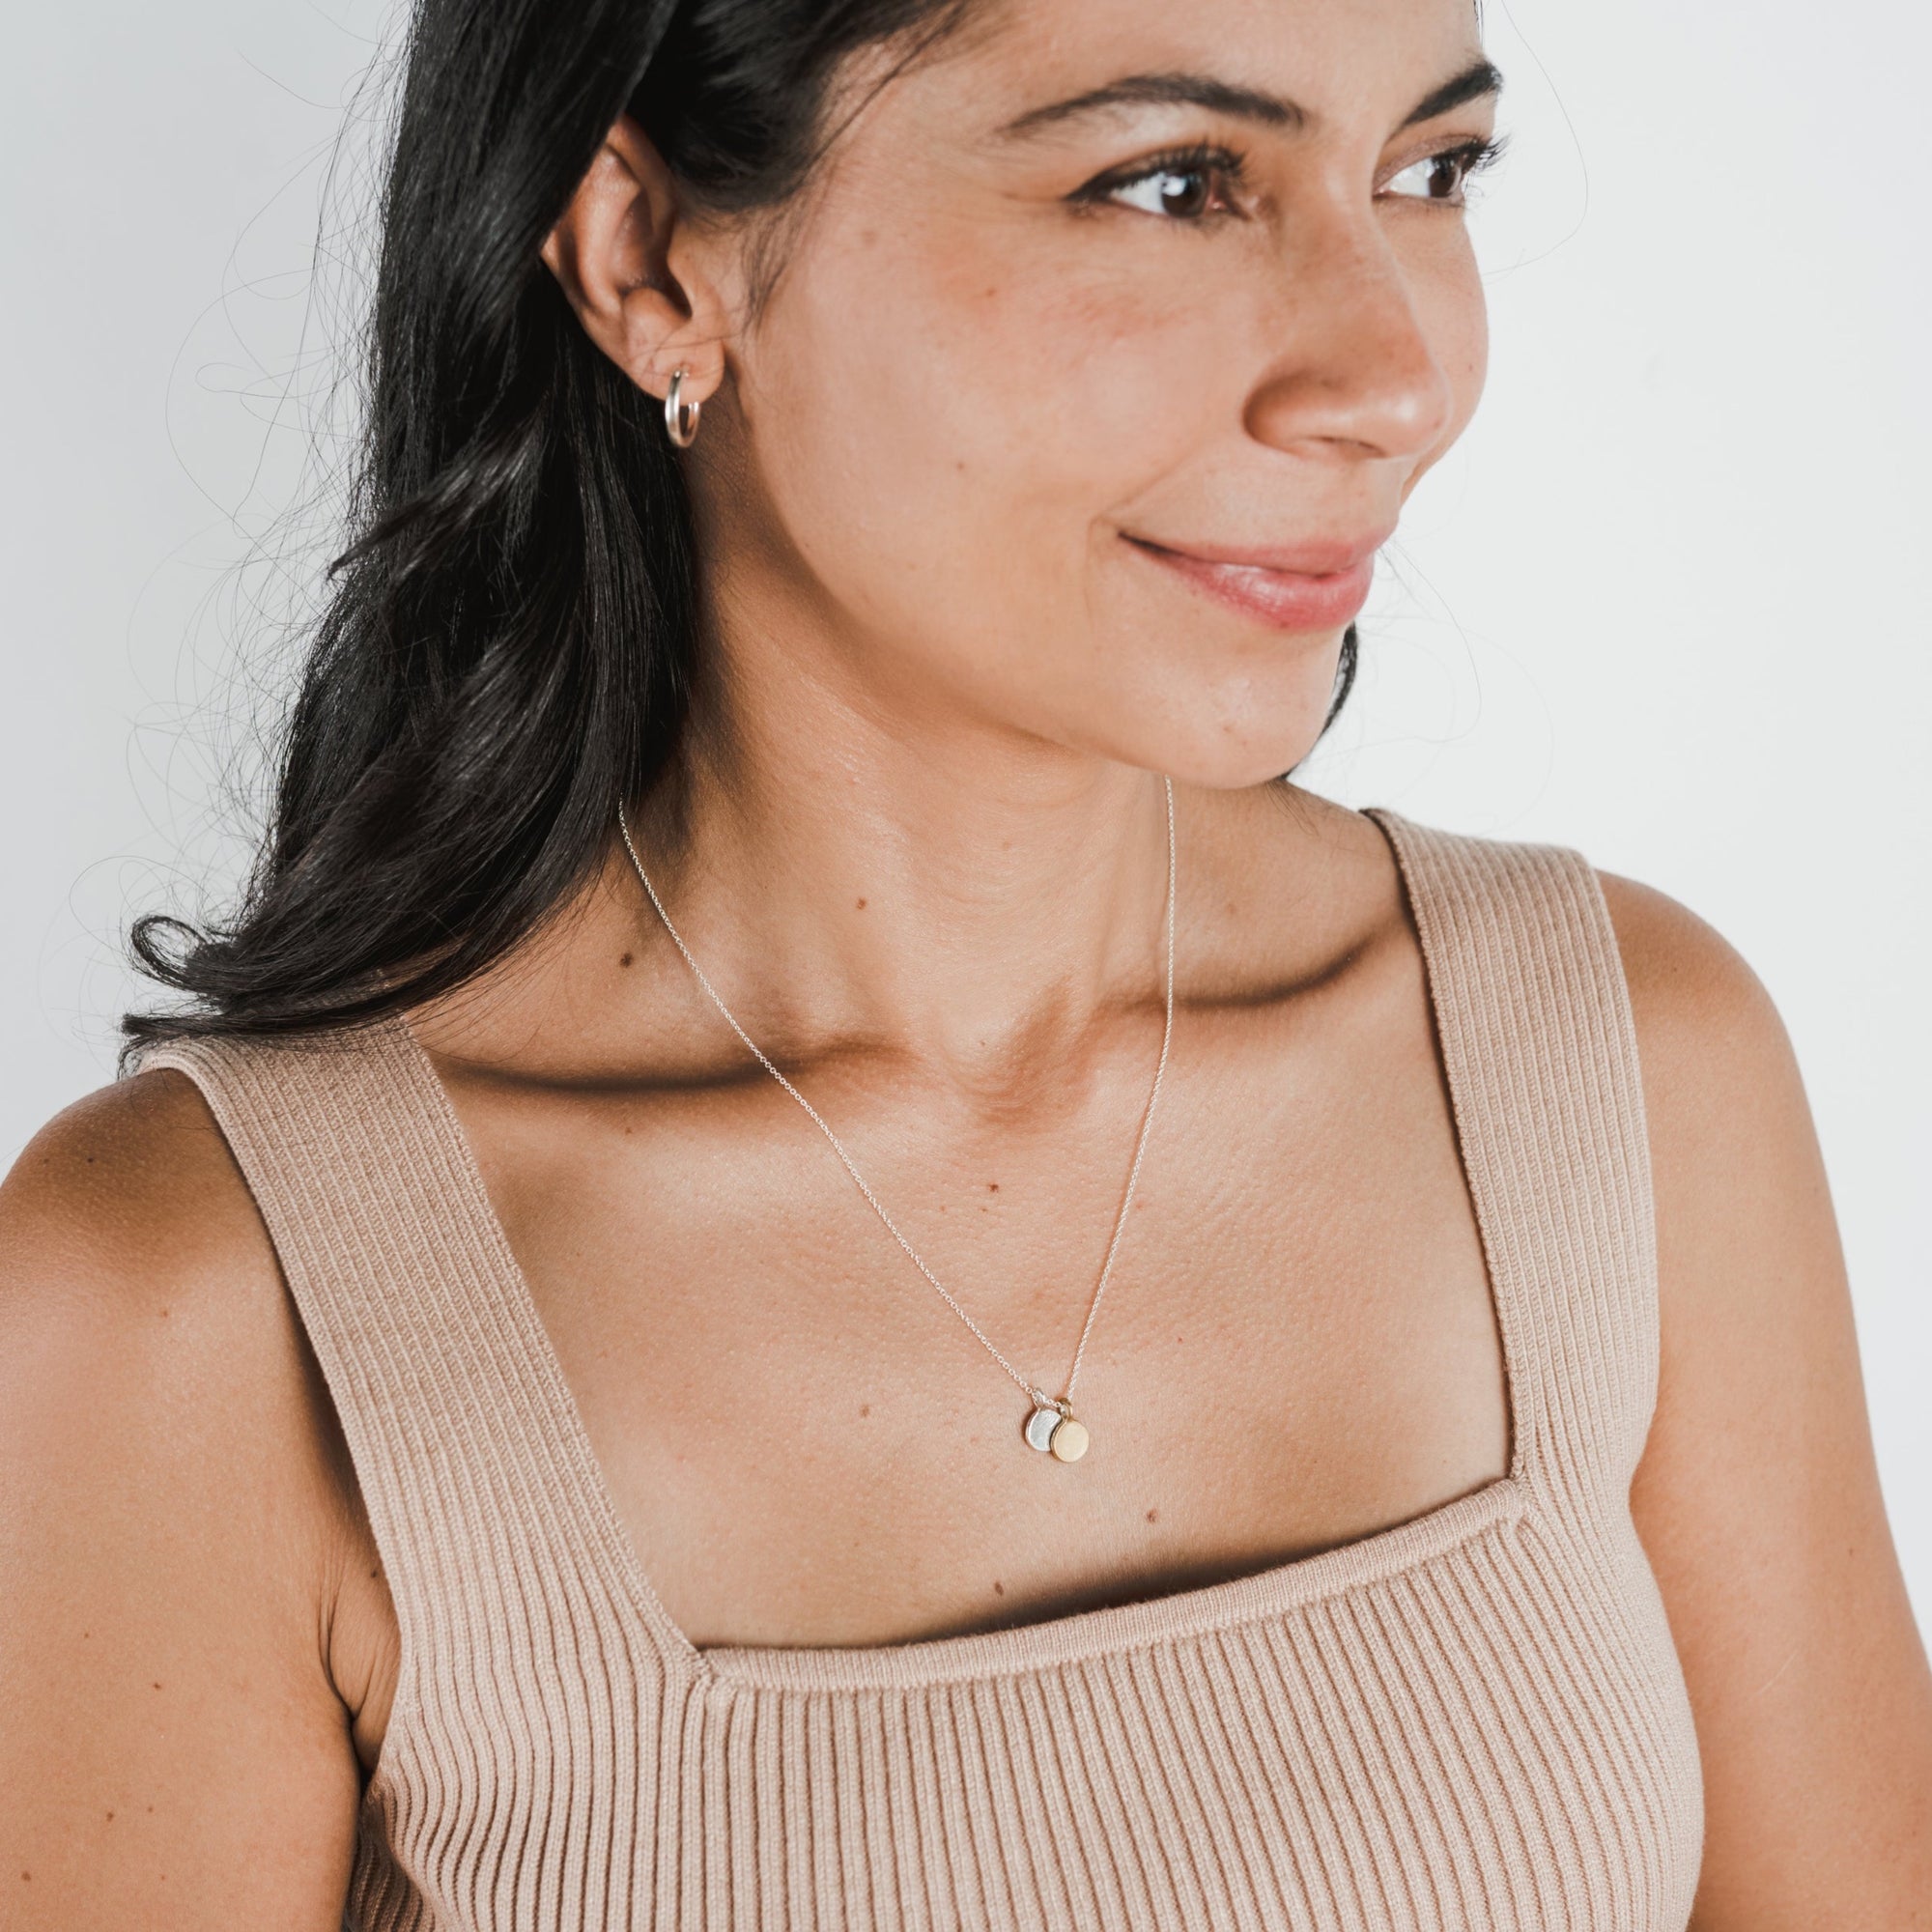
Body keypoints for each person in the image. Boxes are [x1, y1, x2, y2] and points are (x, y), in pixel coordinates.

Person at [4, 0, 1929, 1924]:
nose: (1392, 374)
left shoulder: (1623, 1076)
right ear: (652, 259)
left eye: (1428, 173)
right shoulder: (202, 1308)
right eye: (1172, 183)